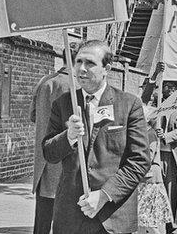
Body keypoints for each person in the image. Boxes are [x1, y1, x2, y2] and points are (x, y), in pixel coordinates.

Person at [42, 40, 150, 234]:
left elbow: (139, 161)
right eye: (78, 62)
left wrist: (104, 195)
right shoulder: (63, 104)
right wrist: (68, 137)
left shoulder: (128, 104)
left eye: (90, 63)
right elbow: (49, 152)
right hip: (70, 217)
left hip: (112, 217)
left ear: (106, 68)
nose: (82, 69)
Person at [30, 44, 77, 234]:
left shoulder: (45, 81)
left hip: (43, 158)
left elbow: (33, 116)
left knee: (42, 218)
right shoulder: (76, 86)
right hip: (66, 158)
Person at [140, 62, 177, 234]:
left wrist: (166, 136)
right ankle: (153, 224)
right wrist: (154, 76)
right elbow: (143, 100)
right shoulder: (157, 105)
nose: (166, 89)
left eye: (169, 87)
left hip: (171, 155)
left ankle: (171, 226)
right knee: (154, 191)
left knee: (172, 191)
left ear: (176, 90)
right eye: (165, 86)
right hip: (155, 157)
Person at [136, 104, 173, 234]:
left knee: (148, 220)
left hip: (150, 179)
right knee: (141, 220)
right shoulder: (142, 133)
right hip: (143, 179)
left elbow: (148, 156)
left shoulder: (150, 133)